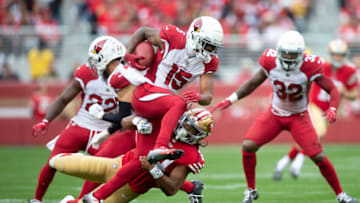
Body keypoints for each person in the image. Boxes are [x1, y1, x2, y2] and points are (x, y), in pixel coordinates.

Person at [83, 16, 224, 202]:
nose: (210, 51)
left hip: (162, 108)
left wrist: (198, 96)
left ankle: (95, 197)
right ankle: (161, 147)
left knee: (140, 160)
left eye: (213, 47)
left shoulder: (208, 62)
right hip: (146, 92)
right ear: (194, 36)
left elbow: (207, 96)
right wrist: (128, 53)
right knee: (178, 104)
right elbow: (143, 32)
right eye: (207, 45)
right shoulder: (173, 37)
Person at [210, 31, 358, 203]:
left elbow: (332, 89)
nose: (288, 57)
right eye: (285, 52)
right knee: (248, 145)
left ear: (301, 54)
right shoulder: (270, 61)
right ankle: (251, 190)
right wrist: (231, 99)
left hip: (299, 116)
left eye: (293, 54)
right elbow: (252, 83)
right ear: (279, 50)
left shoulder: (311, 65)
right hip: (275, 114)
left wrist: (333, 107)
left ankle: (341, 195)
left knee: (318, 156)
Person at [29, 36, 151, 203]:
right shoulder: (86, 72)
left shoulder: (129, 75)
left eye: (97, 60)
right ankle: (37, 199)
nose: (93, 64)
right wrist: (46, 120)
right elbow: (64, 98)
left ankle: (79, 201)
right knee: (53, 162)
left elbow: (127, 112)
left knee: (103, 170)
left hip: (107, 131)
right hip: (81, 125)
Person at [52, 108, 213, 203]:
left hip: (131, 188)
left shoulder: (190, 155)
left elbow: (171, 189)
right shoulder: (167, 123)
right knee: (58, 162)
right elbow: (131, 120)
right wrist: (136, 122)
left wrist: (153, 169)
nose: (185, 129)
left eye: (191, 129)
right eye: (185, 124)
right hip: (120, 164)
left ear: (199, 136)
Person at [273, 39, 359, 180]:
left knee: (311, 138)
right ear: (330, 54)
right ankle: (297, 164)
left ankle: (282, 163)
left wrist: (343, 92)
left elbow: (354, 94)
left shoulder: (349, 71)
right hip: (314, 105)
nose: (338, 58)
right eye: (335, 54)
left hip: (329, 111)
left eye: (340, 55)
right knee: (318, 133)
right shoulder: (322, 66)